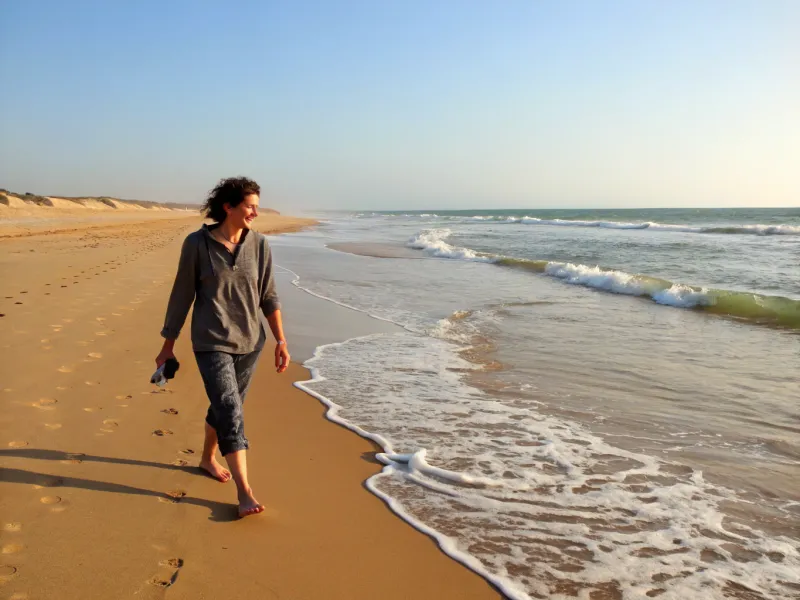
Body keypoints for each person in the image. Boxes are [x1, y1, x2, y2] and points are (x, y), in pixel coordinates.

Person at [155, 176, 290, 518]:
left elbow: (268, 295)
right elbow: (182, 295)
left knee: (225, 406)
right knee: (231, 408)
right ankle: (244, 491)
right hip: (210, 341)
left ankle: (206, 459)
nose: (255, 213)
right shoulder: (197, 244)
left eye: (257, 207)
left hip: (250, 342)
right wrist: (167, 346)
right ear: (228, 207)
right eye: (250, 206)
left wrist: (280, 340)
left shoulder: (259, 245)